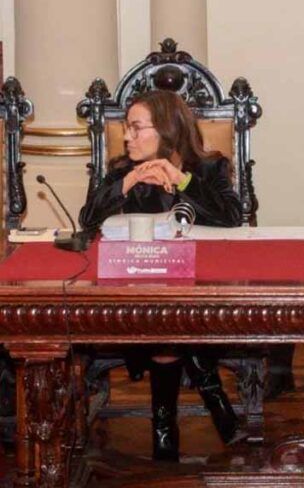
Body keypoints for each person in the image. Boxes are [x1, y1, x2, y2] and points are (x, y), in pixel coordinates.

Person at [79, 90, 247, 461]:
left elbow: (232, 217)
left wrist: (182, 180)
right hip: (141, 284)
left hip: (202, 284)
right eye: (126, 128)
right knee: (164, 318)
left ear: (167, 129)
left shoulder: (208, 168)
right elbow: (87, 220)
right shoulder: (122, 171)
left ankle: (166, 427)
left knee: (175, 318)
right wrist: (127, 183)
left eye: (136, 127)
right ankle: (208, 407)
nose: (127, 136)